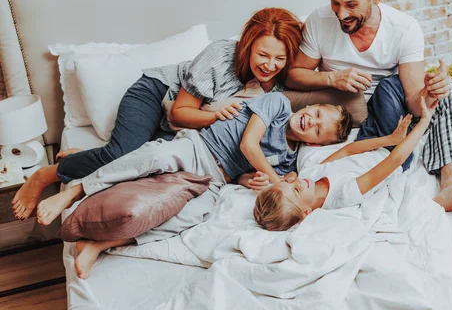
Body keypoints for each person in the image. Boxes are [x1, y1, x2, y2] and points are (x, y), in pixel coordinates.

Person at [13, 8, 304, 220]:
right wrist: (216, 116)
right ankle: (44, 175)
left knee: (147, 169)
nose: (269, 65)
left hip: (184, 133)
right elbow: (180, 114)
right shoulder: (221, 56)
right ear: (248, 44)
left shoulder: (274, 89)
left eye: (279, 59)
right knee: (122, 153)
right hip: (158, 96)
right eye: (263, 55)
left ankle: (90, 155)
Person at [36, 92, 352, 279]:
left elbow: (245, 171)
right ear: (312, 106)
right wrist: (271, 176)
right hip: (197, 146)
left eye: (319, 130)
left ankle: (100, 245)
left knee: (189, 219)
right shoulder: (279, 105)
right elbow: (248, 146)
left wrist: (251, 179)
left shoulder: (287, 162)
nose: (311, 121)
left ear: (317, 143)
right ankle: (76, 191)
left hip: (217, 179)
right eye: (317, 113)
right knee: (152, 157)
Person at [285, 0, 452, 215]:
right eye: (334, 2)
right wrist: (332, 78)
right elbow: (293, 76)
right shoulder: (319, 22)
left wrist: (431, 94)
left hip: (390, 110)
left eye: (351, 4)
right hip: (345, 114)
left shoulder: (404, 29)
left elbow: (412, 101)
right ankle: (399, 155)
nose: (341, 14)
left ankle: (451, 185)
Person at [254, 96, 452, 232]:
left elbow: (348, 149)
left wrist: (389, 138)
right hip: (394, 155)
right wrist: (424, 122)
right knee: (393, 91)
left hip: (376, 143)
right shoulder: (343, 195)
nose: (298, 182)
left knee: (382, 95)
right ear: (306, 212)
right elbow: (394, 161)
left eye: (289, 182)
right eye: (295, 189)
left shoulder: (310, 174)